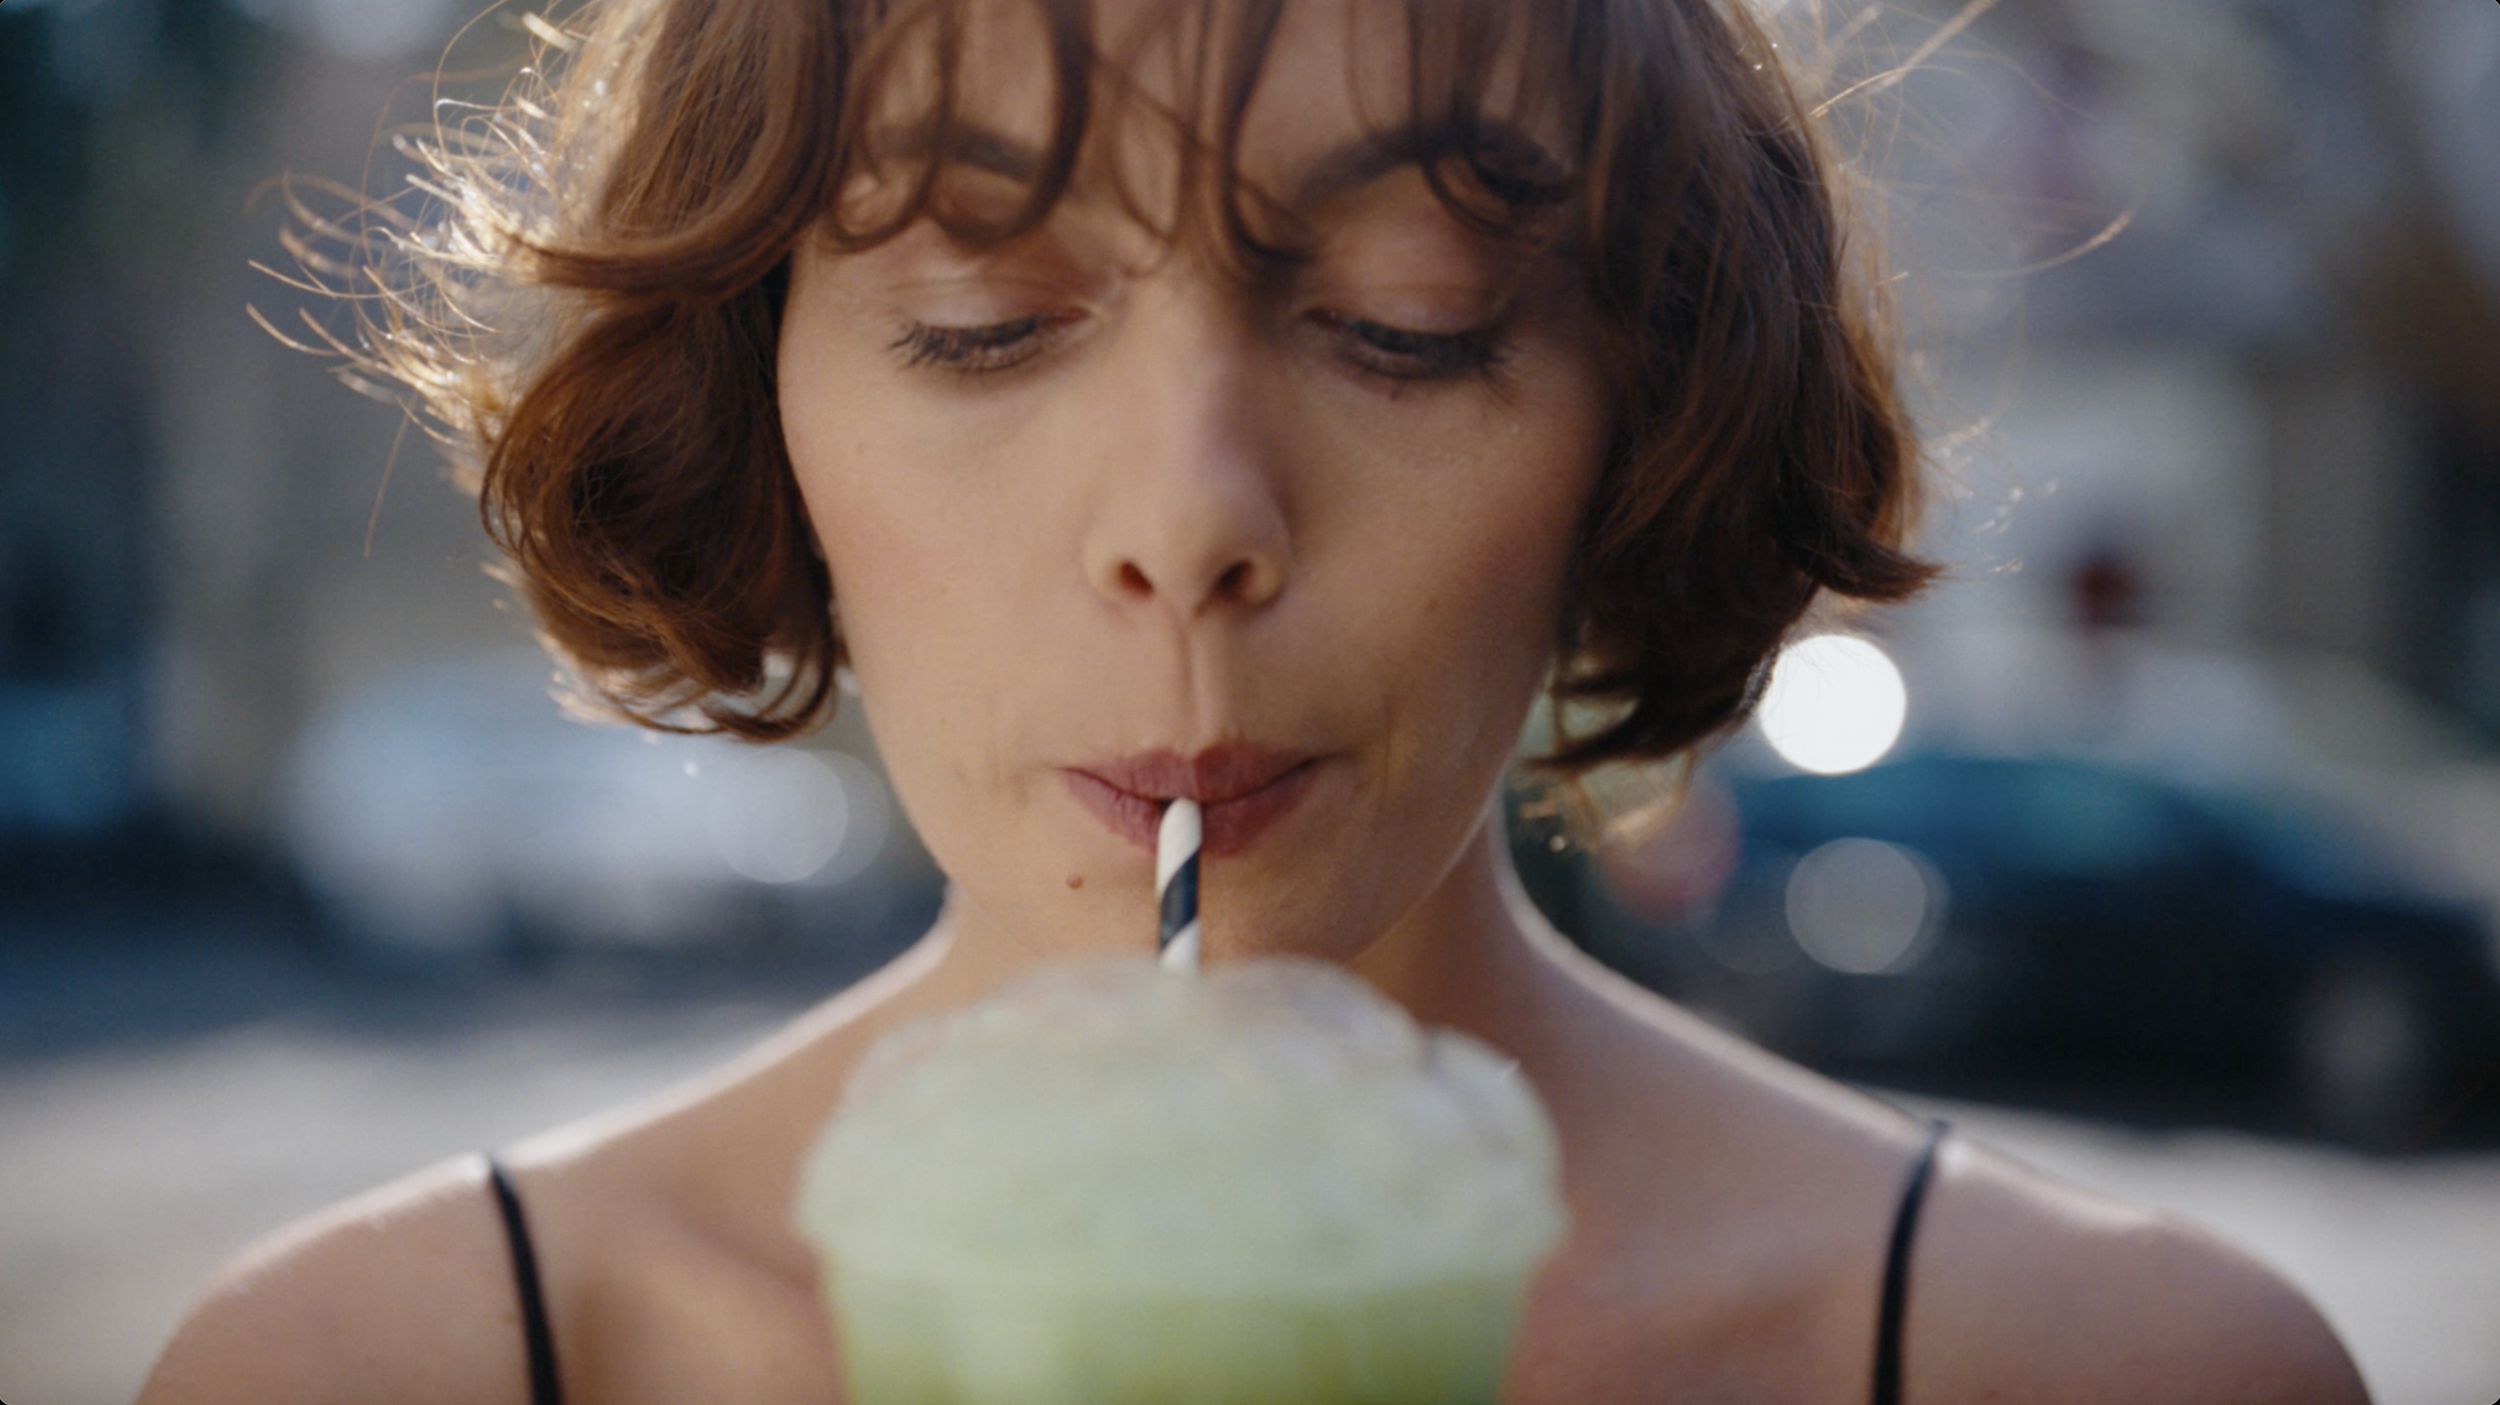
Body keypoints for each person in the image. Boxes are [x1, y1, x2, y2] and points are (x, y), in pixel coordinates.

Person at [142, 0, 2370, 1400]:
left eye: (1407, 322)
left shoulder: (2103, 1370)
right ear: (759, 397)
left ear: (1637, 404)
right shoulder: (374, 1366)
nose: (1190, 521)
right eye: (986, 324)